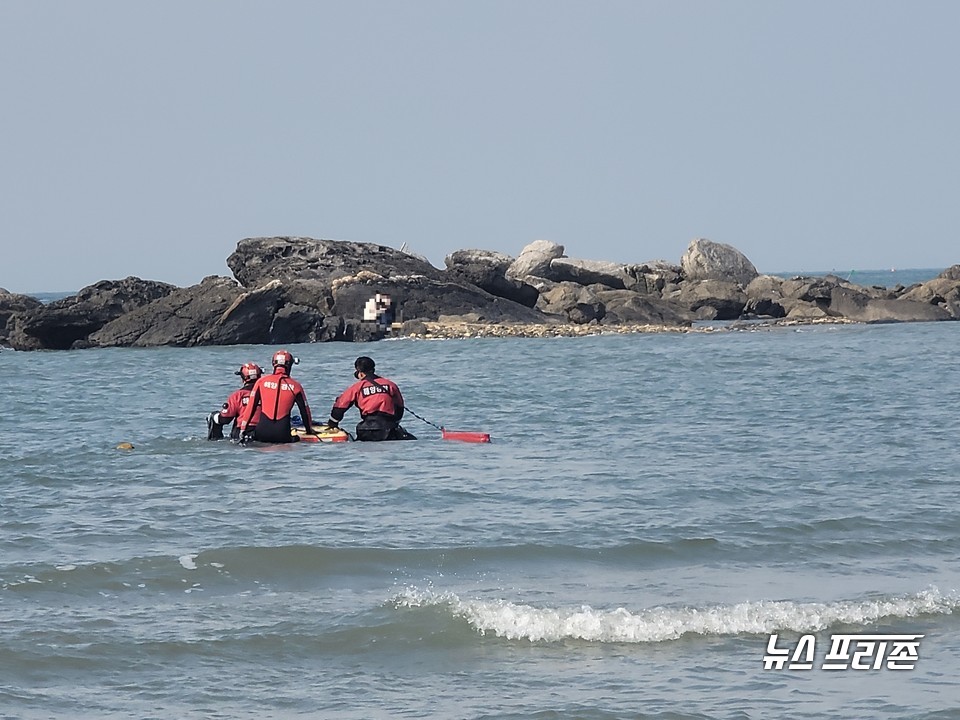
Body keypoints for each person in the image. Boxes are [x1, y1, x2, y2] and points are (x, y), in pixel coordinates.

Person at [327, 356, 415, 441]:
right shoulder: (391, 385)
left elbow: (340, 406)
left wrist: (332, 424)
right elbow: (400, 407)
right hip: (389, 429)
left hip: (366, 430)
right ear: (373, 369)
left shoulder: (357, 387)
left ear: (359, 372)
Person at [238, 349, 315, 443]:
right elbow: (305, 412)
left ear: (273, 364)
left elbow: (250, 408)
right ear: (289, 366)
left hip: (261, 434)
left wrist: (242, 430)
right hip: (283, 436)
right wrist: (309, 431)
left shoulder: (261, 382)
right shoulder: (296, 386)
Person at [207, 362, 263, 440]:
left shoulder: (237, 396)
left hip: (241, 433)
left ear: (243, 378)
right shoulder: (268, 394)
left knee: (213, 417)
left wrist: (215, 416)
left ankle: (213, 444)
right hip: (263, 432)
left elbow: (225, 419)